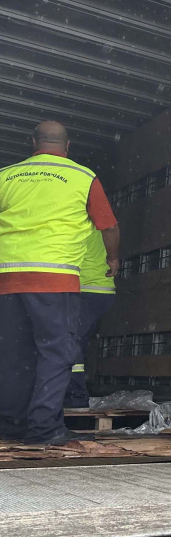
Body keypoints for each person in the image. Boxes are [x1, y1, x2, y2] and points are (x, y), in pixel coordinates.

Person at [0, 121, 120, 445]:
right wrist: (112, 259)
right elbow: (108, 226)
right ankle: (43, 429)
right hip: (54, 277)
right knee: (56, 353)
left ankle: (10, 426)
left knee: (14, 354)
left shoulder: (6, 176)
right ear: (67, 147)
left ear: (33, 142)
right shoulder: (82, 177)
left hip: (8, 277)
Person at [64, 229, 117, 408]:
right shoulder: (96, 228)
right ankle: (73, 395)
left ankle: (76, 398)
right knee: (76, 343)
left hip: (86, 289)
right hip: (100, 291)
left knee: (71, 343)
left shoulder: (76, 227)